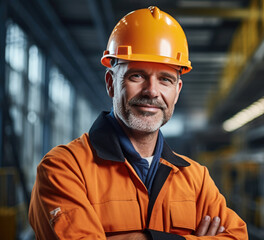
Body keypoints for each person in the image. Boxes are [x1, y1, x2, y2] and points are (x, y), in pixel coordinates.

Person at [28, 6, 248, 240]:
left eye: (165, 79)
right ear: (111, 82)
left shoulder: (195, 178)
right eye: (137, 76)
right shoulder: (64, 169)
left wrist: (138, 238)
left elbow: (237, 235)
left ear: (177, 91)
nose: (152, 91)